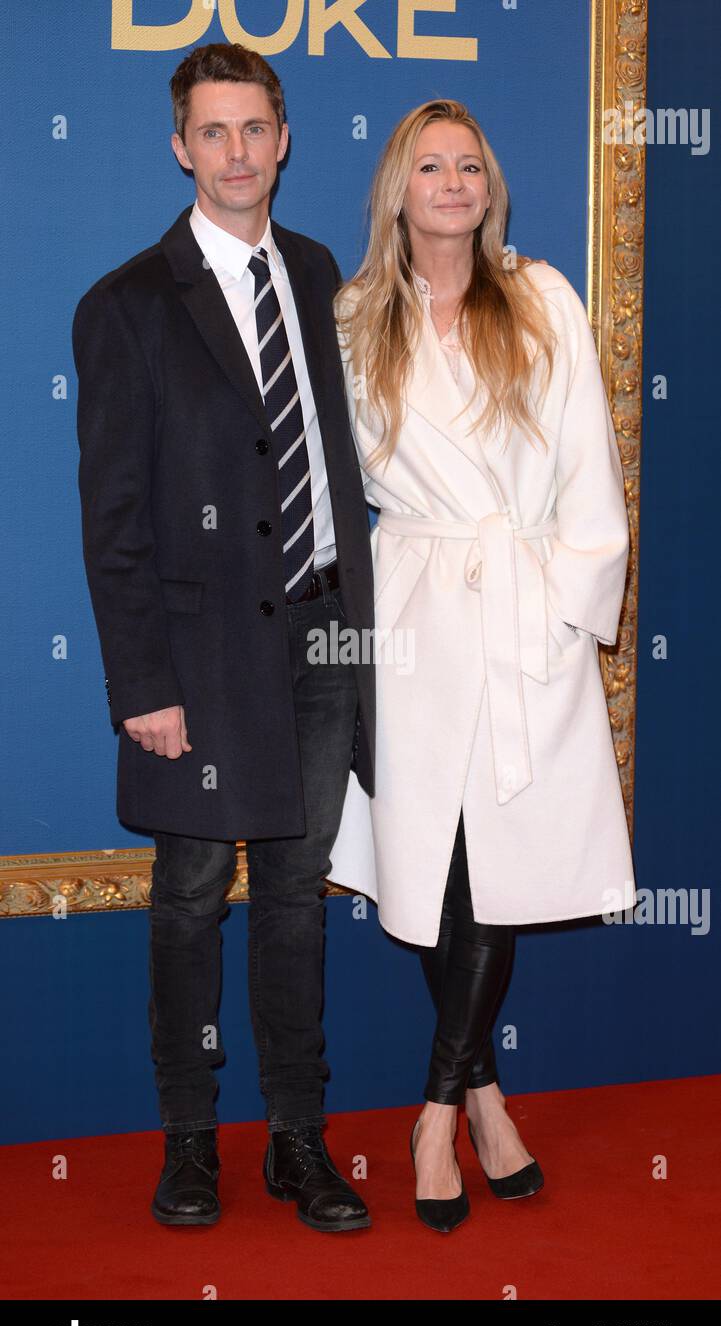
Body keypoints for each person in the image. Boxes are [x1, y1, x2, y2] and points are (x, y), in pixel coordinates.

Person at [72, 42, 376, 1234]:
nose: (237, 152)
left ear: (284, 138)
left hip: (319, 644)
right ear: (179, 146)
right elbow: (115, 519)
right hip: (193, 668)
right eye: (213, 132)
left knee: (297, 895)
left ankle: (297, 1136)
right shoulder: (126, 304)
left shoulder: (317, 272)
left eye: (255, 129)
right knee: (191, 894)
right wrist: (141, 680)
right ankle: (189, 1138)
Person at [327, 99, 637, 1232]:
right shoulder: (355, 318)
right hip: (410, 620)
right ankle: (483, 1097)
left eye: (469, 165)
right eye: (429, 165)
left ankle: (430, 1111)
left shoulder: (542, 297)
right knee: (439, 866)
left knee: (493, 866)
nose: (451, 181)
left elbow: (588, 478)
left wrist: (565, 612)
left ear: (487, 186)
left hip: (519, 617)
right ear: (397, 191)